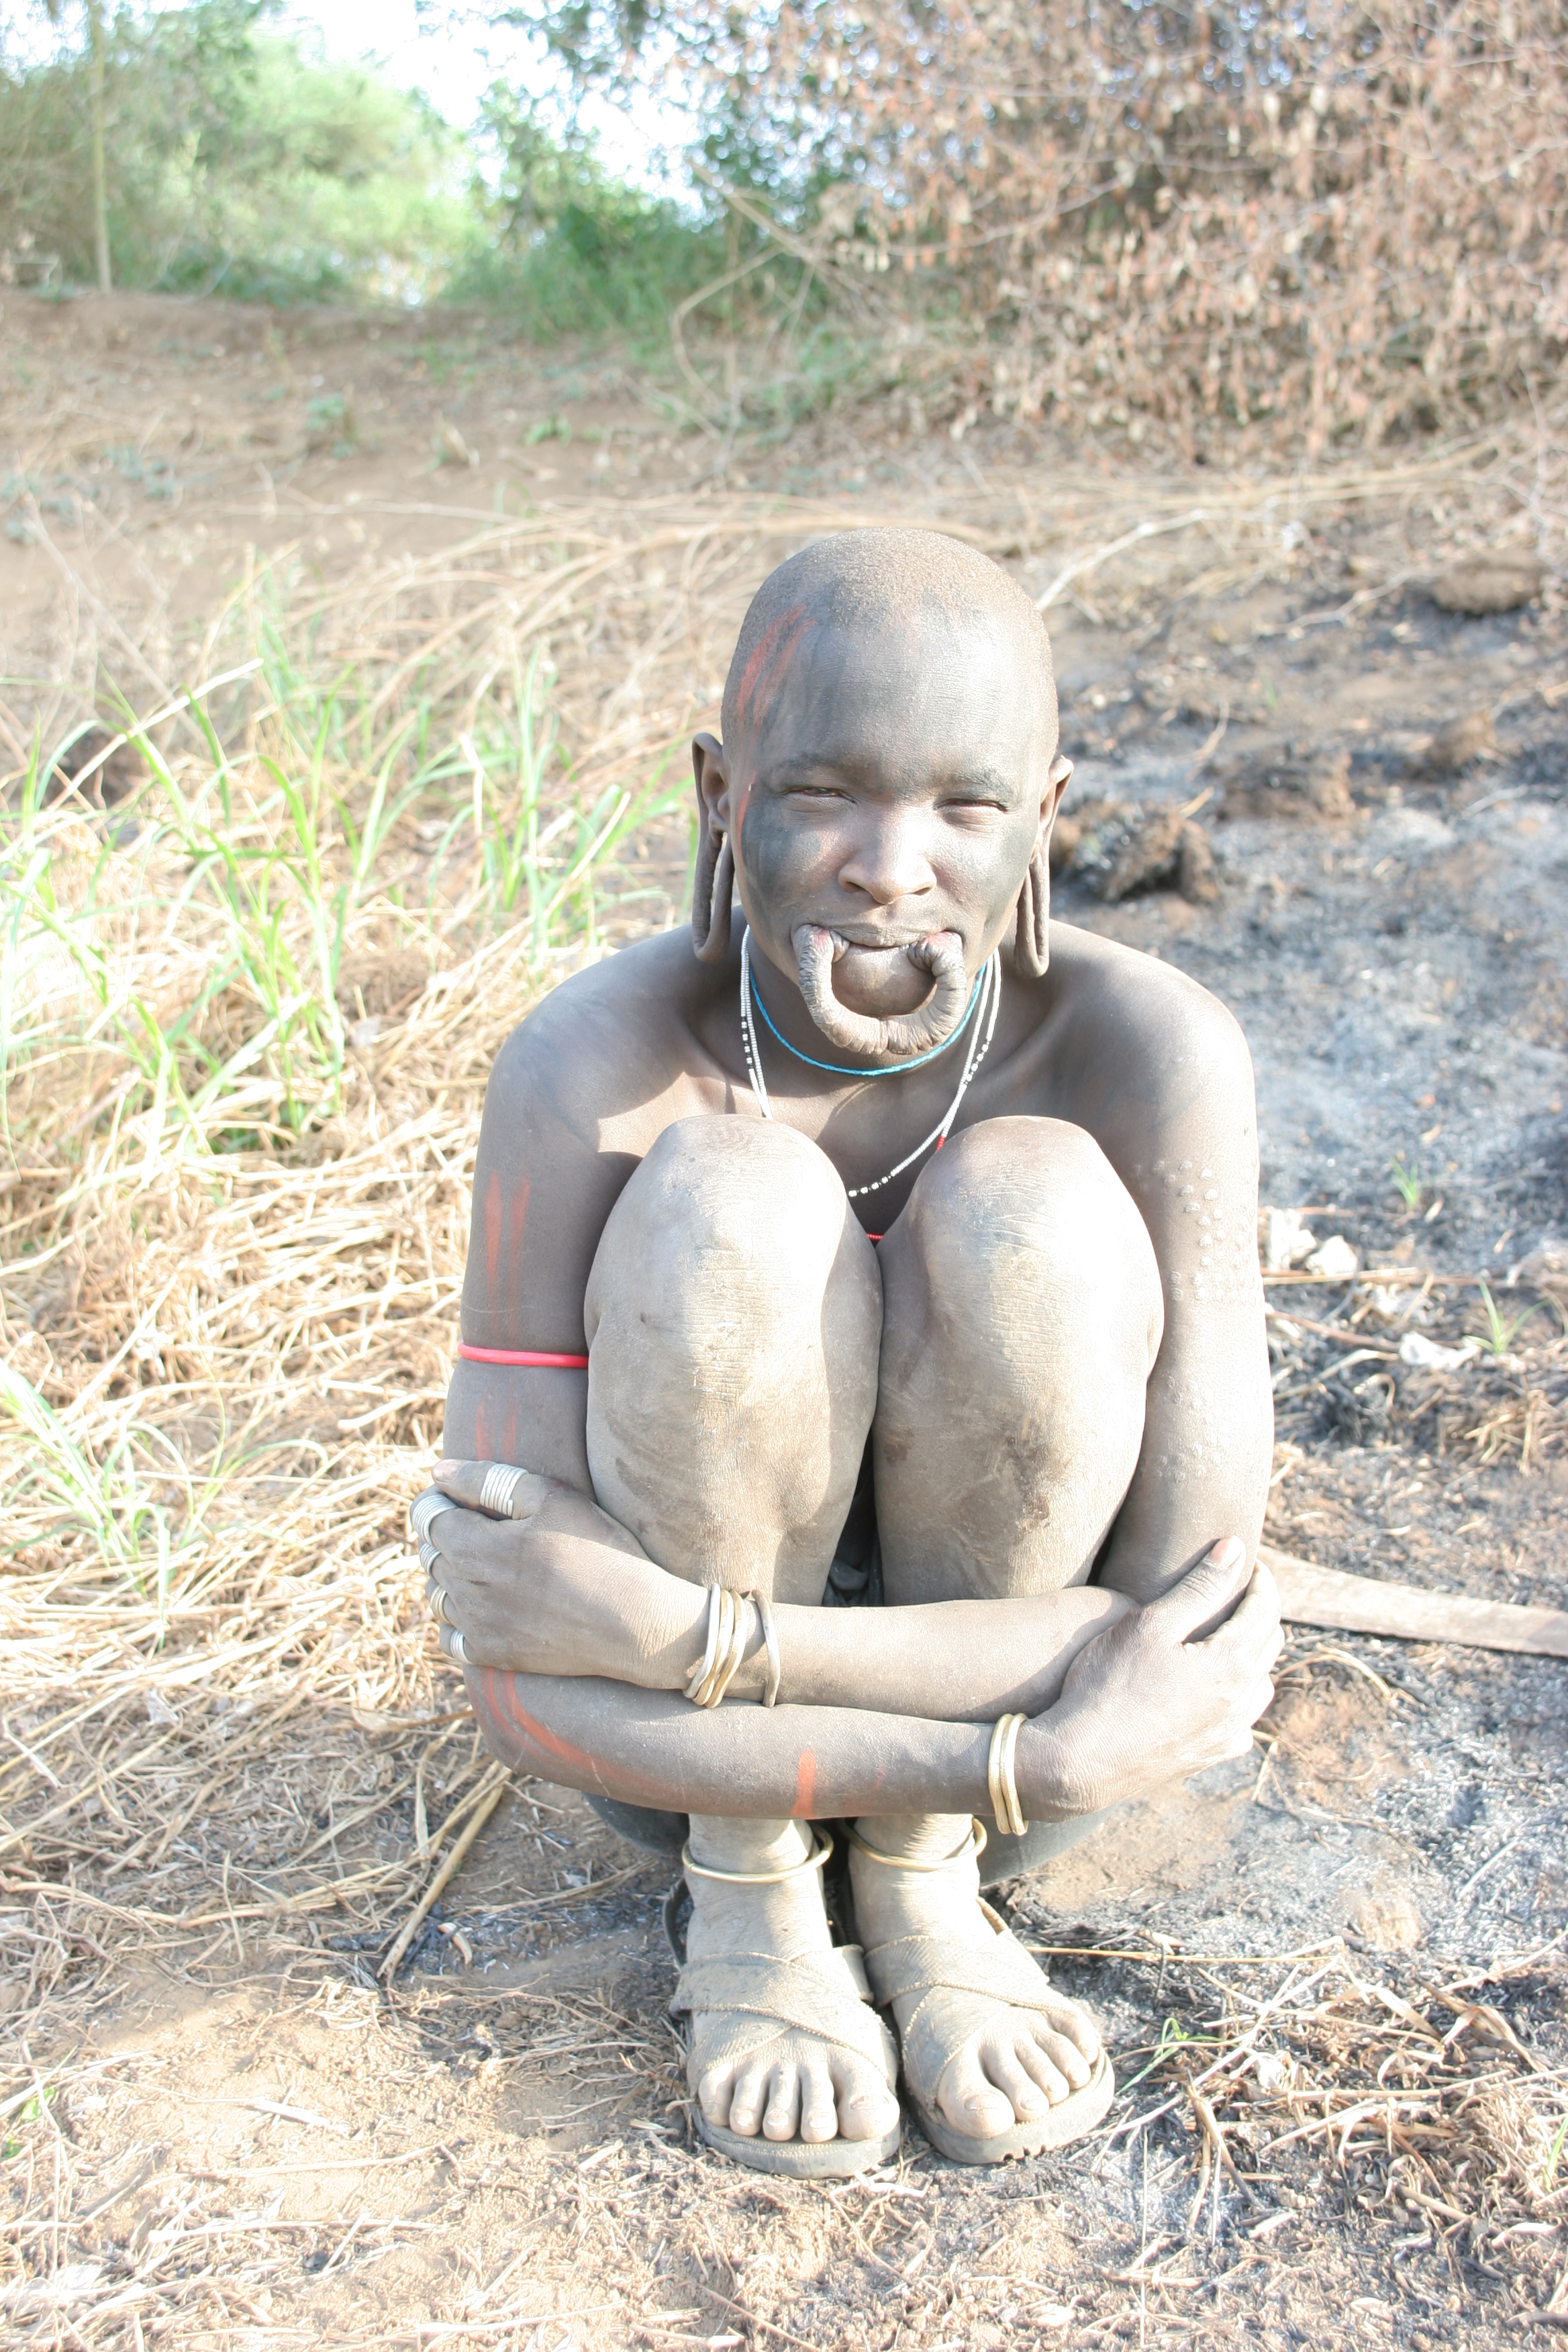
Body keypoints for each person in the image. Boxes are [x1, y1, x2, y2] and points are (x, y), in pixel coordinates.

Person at [413, 528, 1281, 2177]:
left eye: (965, 806)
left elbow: (1181, 1632)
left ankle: (914, 1884)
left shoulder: (1148, 1054)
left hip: (985, 1789)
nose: (894, 866)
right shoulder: (590, 1069)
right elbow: (522, 1670)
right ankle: (753, 1905)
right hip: (695, 1784)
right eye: (823, 792)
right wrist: (1013, 1725)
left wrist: (678, 1633)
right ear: (718, 796)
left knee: (1029, 1202)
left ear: (1048, 820)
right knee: (732, 1190)